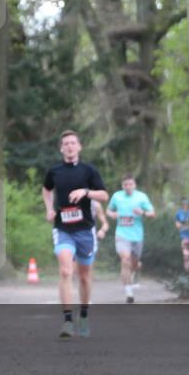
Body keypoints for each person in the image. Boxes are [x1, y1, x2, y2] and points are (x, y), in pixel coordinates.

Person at [42, 131, 109, 338]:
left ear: (79, 146)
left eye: (73, 143)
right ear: (61, 148)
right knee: (65, 271)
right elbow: (46, 189)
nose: (70, 146)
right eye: (66, 144)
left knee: (85, 277)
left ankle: (84, 315)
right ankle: (68, 321)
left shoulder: (89, 170)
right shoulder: (54, 172)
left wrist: (86, 192)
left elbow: (104, 195)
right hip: (63, 229)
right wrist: (49, 209)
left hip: (85, 230)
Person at [106, 174, 156, 303]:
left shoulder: (141, 197)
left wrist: (143, 213)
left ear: (135, 185)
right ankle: (129, 292)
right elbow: (108, 211)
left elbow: (152, 213)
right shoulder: (117, 196)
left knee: (134, 264)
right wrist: (113, 214)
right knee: (125, 259)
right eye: (125, 185)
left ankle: (135, 268)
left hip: (137, 236)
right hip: (122, 234)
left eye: (130, 184)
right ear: (122, 186)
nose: (128, 187)